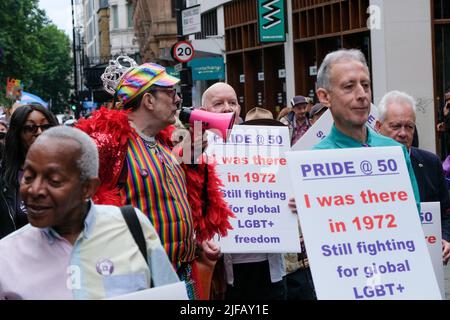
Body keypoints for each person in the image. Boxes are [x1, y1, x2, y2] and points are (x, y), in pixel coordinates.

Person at [76, 57, 233, 300]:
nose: (178, 99)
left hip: (180, 275)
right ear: (148, 100)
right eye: (170, 93)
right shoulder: (109, 144)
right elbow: (85, 207)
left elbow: (171, 201)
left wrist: (194, 241)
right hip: (139, 282)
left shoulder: (164, 143)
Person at [0, 126, 179, 299]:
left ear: (88, 188)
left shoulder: (132, 227)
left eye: (54, 181)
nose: (34, 190)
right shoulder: (6, 255)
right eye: (28, 178)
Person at [203, 83, 287, 300]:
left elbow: (286, 189)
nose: (227, 108)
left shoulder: (268, 144)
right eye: (218, 104)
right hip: (225, 269)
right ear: (204, 111)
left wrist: (293, 200)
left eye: (232, 102)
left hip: (270, 268)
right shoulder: (194, 150)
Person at [375, 90, 450, 264]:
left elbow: (446, 212)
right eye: (395, 126)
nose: (403, 133)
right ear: (378, 127)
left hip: (426, 262)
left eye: (409, 126)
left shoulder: (431, 163)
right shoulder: (361, 167)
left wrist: (446, 238)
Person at [0, 104, 59, 239]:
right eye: (30, 128)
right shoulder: (3, 177)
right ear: (17, 134)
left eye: (45, 127)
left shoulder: (70, 172)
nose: (39, 132)